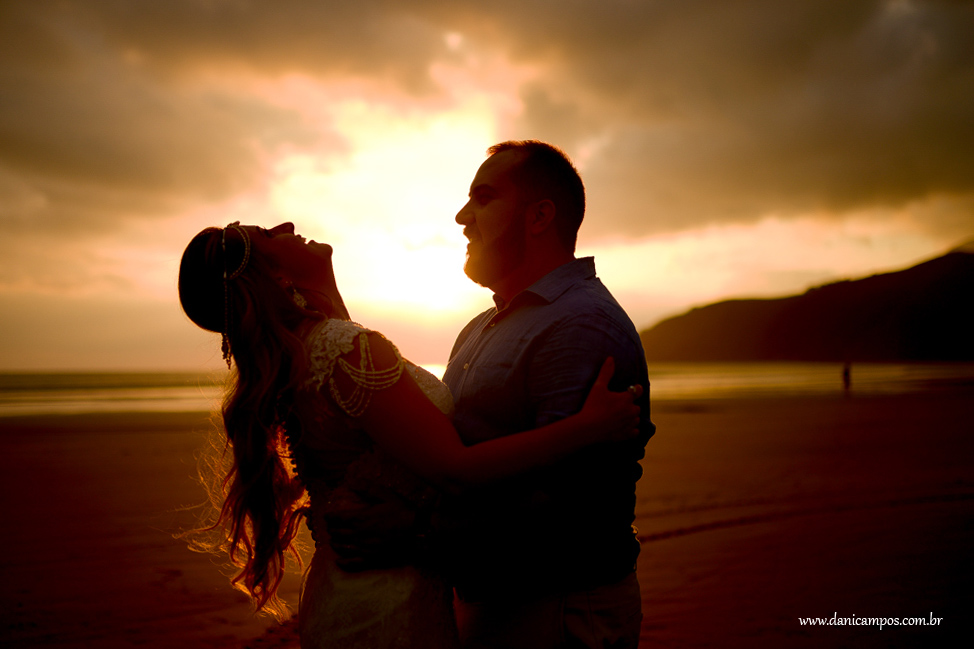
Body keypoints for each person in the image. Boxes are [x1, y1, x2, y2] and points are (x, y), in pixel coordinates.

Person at [177, 220, 644, 649]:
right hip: (388, 604)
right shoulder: (343, 350)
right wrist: (585, 428)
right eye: (269, 235)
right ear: (276, 276)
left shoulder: (312, 351)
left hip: (351, 589)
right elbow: (456, 469)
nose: (288, 225)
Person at [330, 140, 655, 648]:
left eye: (483, 198)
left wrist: (415, 533)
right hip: (494, 601)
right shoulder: (483, 325)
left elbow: (566, 505)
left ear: (539, 216)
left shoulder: (580, 326)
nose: (462, 216)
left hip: (559, 607)